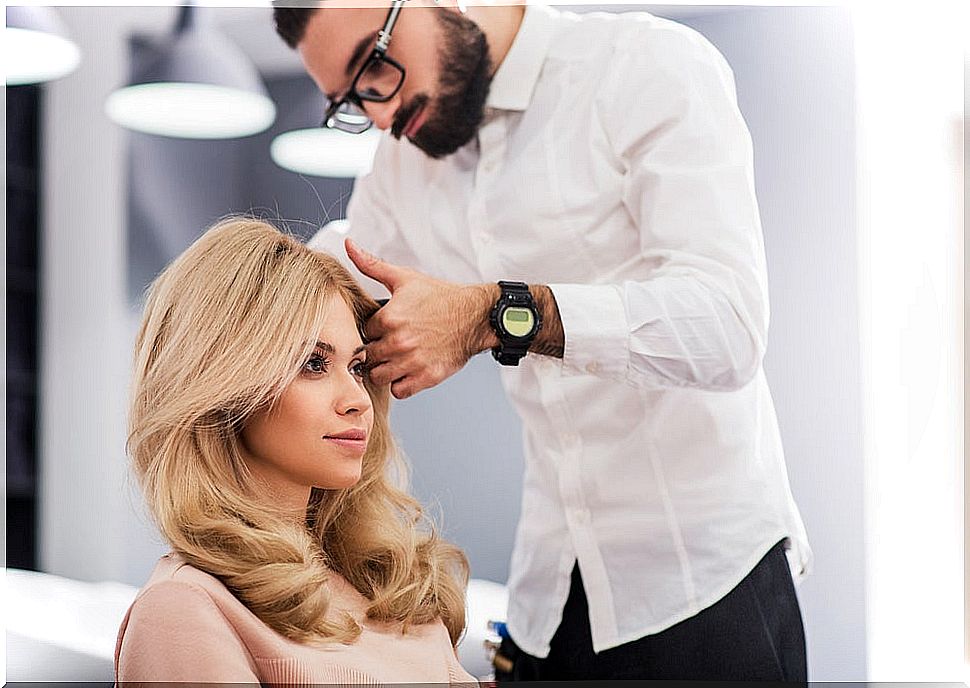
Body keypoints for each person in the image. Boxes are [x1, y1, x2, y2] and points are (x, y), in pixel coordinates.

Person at [273, 0, 812, 680]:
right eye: (350, 100)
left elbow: (726, 325)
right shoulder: (402, 166)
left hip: (706, 588)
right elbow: (322, 284)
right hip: (548, 597)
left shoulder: (645, 67)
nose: (379, 112)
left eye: (373, 64)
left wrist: (495, 314)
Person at [115, 217, 476, 685]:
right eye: (313, 363)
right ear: (224, 385)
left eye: (358, 366)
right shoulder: (185, 609)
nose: (358, 400)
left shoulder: (388, 582)